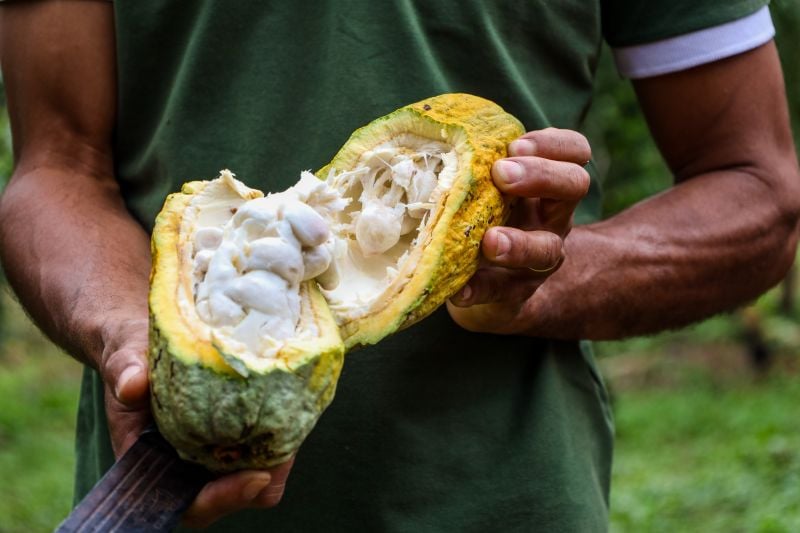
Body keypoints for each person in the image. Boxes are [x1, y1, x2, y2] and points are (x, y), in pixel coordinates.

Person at [1, 1, 798, 531]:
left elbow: (759, 190)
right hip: (161, 501)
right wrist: (133, 340)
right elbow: (57, 165)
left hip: (502, 502)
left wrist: (544, 276)